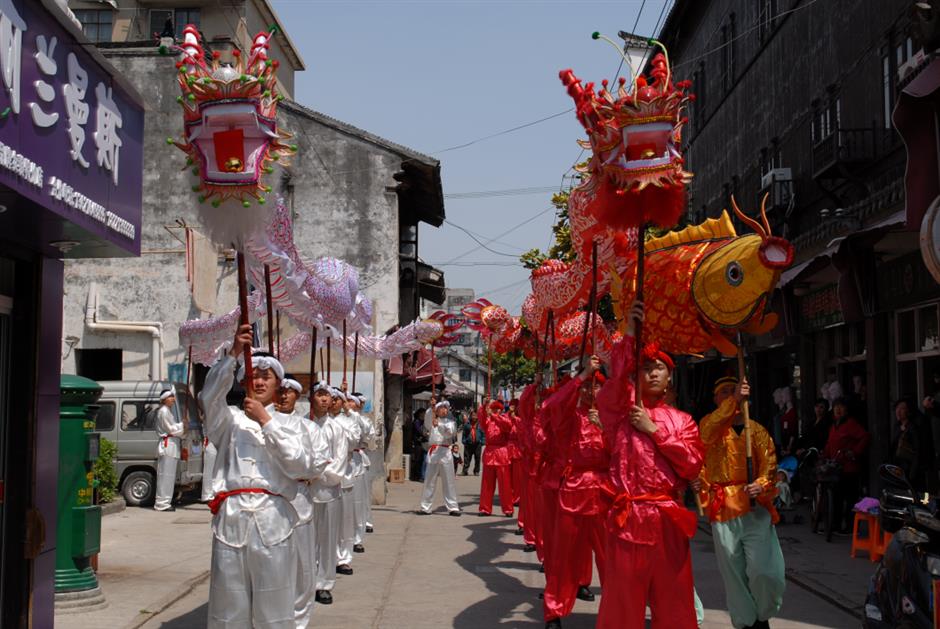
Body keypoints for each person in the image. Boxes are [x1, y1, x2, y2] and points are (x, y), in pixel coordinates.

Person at [595, 301, 704, 629]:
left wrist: (653, 430)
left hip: (668, 521)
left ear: (670, 377)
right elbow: (614, 383)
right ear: (635, 376)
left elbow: (692, 466)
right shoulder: (619, 415)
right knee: (621, 608)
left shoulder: (683, 421)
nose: (653, 373)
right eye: (645, 368)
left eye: (659, 368)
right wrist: (630, 332)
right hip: (627, 520)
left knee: (674, 606)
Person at [199, 327, 316, 627]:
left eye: (267, 376)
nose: (260, 381)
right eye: (254, 376)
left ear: (278, 384)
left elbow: (299, 465)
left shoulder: (292, 425)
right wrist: (233, 354)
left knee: (274, 608)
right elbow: (209, 397)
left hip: (274, 520)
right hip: (232, 520)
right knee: (228, 606)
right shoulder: (229, 420)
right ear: (243, 382)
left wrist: (266, 420)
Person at [693, 376, 785, 629]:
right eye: (724, 392)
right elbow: (706, 436)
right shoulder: (709, 425)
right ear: (716, 399)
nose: (730, 395)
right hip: (724, 507)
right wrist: (734, 400)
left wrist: (762, 484)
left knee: (766, 571)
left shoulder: (756, 430)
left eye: (733, 390)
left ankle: (762, 614)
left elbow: (769, 464)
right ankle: (747, 623)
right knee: (733, 574)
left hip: (755, 508)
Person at [541, 356, 612, 629]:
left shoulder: (612, 417)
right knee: (564, 556)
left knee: (610, 558)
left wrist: (604, 426)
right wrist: (581, 376)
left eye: (597, 385)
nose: (591, 391)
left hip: (605, 491)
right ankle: (554, 612)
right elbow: (553, 405)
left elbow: (624, 451)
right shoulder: (569, 417)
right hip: (574, 488)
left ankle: (616, 611)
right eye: (586, 386)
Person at [280, 376, 330, 627]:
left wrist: (302, 470)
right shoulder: (256, 425)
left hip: (299, 495)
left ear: (297, 396)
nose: (284, 395)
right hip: (269, 500)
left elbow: (320, 460)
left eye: (289, 392)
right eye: (280, 390)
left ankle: (298, 620)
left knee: (302, 561)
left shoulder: (308, 428)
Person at [307, 381, 347, 605]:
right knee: (306, 539)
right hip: (304, 490)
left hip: (328, 488)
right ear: (311, 398)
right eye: (319, 394)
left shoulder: (336, 428)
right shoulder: (303, 424)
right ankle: (306, 581)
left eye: (326, 395)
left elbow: (339, 460)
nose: (323, 399)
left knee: (328, 538)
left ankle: (324, 583)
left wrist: (318, 474)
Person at [823, 398, 870, 534]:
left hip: (849, 467)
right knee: (837, 497)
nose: (838, 409)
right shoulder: (834, 426)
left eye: (841, 407)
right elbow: (830, 444)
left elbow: (865, 437)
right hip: (835, 467)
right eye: (836, 407)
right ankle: (835, 525)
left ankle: (850, 527)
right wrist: (824, 455)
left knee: (850, 498)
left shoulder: (851, 424)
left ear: (846, 410)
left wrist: (854, 451)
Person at [330, 388, 359, 576]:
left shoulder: (348, 422)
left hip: (344, 473)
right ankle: (323, 557)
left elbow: (354, 441)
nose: (332, 402)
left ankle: (343, 558)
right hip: (321, 479)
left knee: (344, 520)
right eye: (329, 398)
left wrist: (337, 428)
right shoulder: (314, 421)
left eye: (336, 399)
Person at [418, 398, 461, 515]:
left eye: (445, 408)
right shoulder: (431, 420)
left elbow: (449, 433)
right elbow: (427, 421)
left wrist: (439, 425)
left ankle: (453, 507)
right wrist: (431, 408)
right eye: (441, 408)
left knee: (449, 481)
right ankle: (425, 507)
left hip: (445, 451)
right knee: (429, 481)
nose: (444, 410)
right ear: (436, 410)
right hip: (434, 452)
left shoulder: (450, 422)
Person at [347, 393, 375, 550]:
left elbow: (367, 434)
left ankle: (358, 535)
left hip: (358, 459)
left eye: (351, 401)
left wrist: (352, 414)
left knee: (360, 498)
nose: (348, 404)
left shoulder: (363, 420)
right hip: (339, 463)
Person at [479, 397, 515, 516]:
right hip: (489, 453)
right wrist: (484, 406)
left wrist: (493, 415)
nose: (495, 410)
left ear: (501, 410)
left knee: (505, 484)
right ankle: (485, 508)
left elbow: (507, 426)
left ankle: (508, 509)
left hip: (501, 453)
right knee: (487, 484)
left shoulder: (505, 419)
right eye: (493, 408)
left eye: (498, 409)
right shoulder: (488, 422)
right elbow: (481, 418)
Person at [154, 388, 183, 512]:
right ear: (164, 399)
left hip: (171, 445)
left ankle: (166, 501)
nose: (173, 399)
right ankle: (162, 503)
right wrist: (183, 426)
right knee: (165, 476)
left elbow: (173, 428)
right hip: (168, 445)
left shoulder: (167, 411)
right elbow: (170, 429)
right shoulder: (164, 411)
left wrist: (182, 425)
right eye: (171, 397)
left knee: (169, 476)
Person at [890, 398, 923, 489]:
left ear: (908, 411)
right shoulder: (897, 427)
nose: (898, 411)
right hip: (898, 468)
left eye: (902, 408)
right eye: (897, 408)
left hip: (908, 468)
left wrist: (913, 473)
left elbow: (917, 451)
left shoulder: (913, 428)